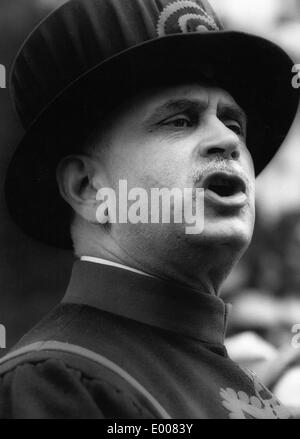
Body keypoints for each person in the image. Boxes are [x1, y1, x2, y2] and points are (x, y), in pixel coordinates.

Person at [0, 0, 298, 419]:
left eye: (234, 123)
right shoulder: (54, 382)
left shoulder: (260, 389)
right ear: (89, 188)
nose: (229, 142)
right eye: (179, 120)